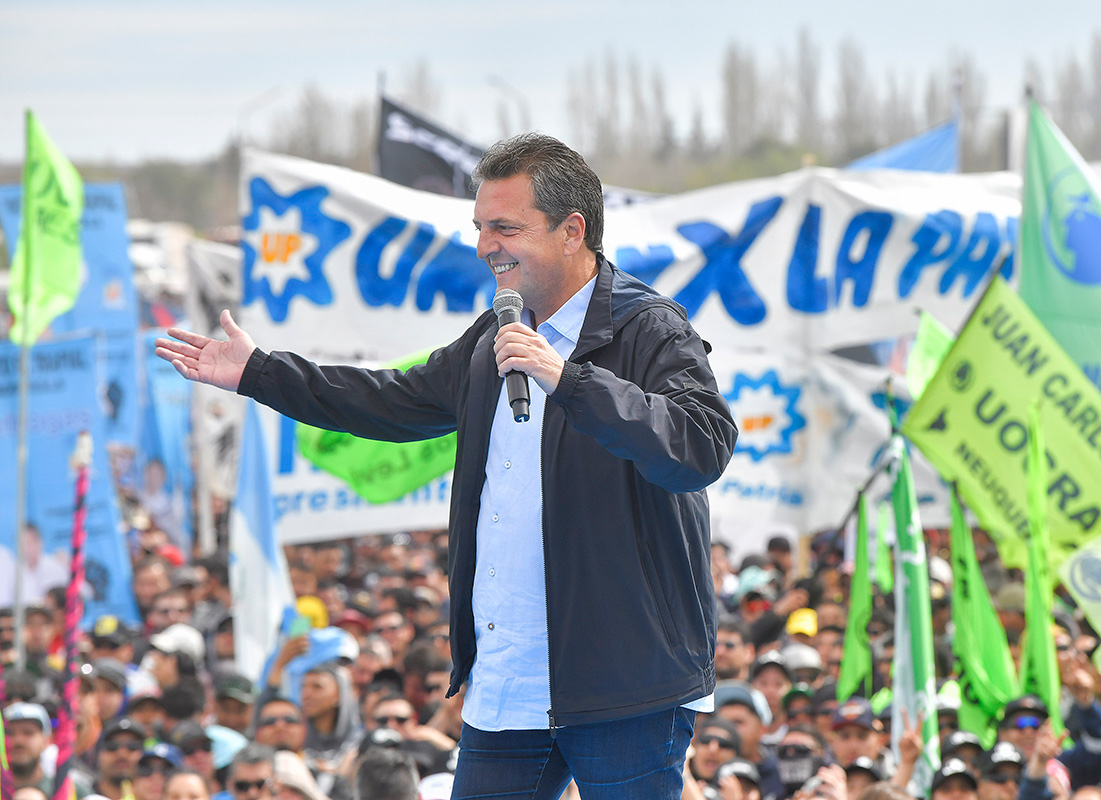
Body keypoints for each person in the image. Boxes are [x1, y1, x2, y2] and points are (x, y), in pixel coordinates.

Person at [156, 131, 737, 799]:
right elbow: (388, 401)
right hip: (508, 683)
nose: (484, 245)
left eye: (504, 227)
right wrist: (260, 373)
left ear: (572, 230)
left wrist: (567, 377)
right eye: (480, 226)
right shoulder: (495, 334)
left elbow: (700, 446)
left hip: (626, 686)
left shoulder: (649, 329)